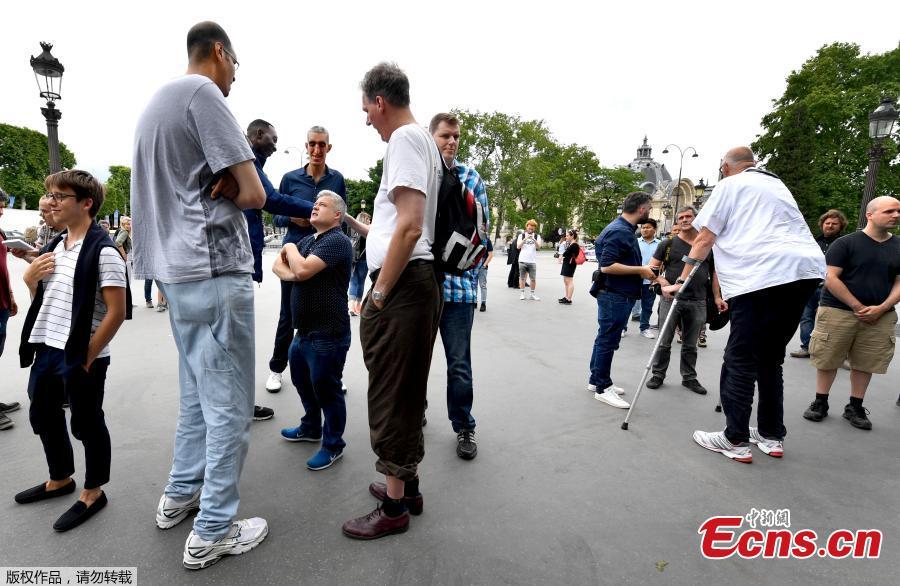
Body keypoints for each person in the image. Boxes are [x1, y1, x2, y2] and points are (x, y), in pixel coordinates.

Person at [130, 21, 269, 569]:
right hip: (213, 269)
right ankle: (212, 528)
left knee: (196, 400)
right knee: (231, 407)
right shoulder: (204, 95)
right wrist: (237, 185)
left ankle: (179, 496)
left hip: (175, 272)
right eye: (235, 63)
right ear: (218, 52)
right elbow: (255, 193)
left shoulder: (157, 103)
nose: (234, 76)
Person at [668, 147, 824, 463]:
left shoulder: (730, 185)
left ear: (725, 168)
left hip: (761, 275)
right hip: (804, 272)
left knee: (740, 357)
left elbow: (704, 238)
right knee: (770, 358)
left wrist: (682, 278)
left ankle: (734, 438)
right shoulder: (777, 185)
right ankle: (770, 434)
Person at [340, 62, 442, 540]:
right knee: (406, 391)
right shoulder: (424, 140)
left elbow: (409, 225)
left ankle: (395, 509)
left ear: (380, 101)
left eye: (366, 109)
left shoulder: (402, 139)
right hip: (417, 283)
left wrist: (378, 293)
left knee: (391, 396)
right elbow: (400, 223)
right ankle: (406, 486)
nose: (366, 120)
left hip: (401, 286)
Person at [16, 170, 128, 532]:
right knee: (44, 415)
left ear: (86, 203)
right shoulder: (55, 248)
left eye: (58, 196)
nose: (50, 202)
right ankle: (60, 478)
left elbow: (117, 312)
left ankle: (93, 491)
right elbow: (45, 302)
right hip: (48, 348)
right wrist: (30, 280)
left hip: (82, 355)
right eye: (50, 195)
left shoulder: (104, 250)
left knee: (87, 423)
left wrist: (87, 356)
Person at [803, 196, 900, 430]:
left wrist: (882, 308)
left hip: (880, 316)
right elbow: (830, 277)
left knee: (865, 362)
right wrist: (857, 306)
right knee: (828, 357)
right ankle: (820, 401)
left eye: (898, 211)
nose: (896, 215)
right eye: (889, 211)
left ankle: (855, 406)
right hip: (838, 311)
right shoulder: (846, 244)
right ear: (870, 214)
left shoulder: (898, 246)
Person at [243, 118, 317, 421]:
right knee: (280, 320)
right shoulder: (248, 163)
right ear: (258, 135)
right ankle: (271, 375)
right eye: (272, 140)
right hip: (244, 260)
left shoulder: (250, 163)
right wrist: (309, 211)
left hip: (245, 259)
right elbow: (272, 204)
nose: (275, 146)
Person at [273, 191, 353, 469]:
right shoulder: (308, 240)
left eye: (323, 205)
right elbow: (277, 266)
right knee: (302, 382)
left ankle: (333, 445)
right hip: (303, 332)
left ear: (337, 216)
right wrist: (297, 269)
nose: (315, 206)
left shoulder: (337, 241)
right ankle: (311, 427)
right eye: (315, 203)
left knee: (327, 390)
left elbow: (302, 269)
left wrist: (293, 253)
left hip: (328, 334)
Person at [264, 125, 346, 394]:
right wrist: (291, 217)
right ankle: (277, 368)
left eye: (322, 144)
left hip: (325, 254)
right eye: (312, 144)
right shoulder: (290, 179)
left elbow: (340, 217)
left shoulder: (337, 180)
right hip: (296, 251)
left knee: (329, 313)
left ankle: (332, 373)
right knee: (289, 314)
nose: (316, 149)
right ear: (307, 145)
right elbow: (274, 213)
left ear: (329, 148)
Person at [428, 112, 490, 459]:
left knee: (459, 364)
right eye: (444, 136)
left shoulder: (471, 176)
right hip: (422, 286)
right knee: (416, 361)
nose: (451, 142)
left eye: (456, 136)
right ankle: (416, 411)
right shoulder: (420, 173)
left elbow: (483, 230)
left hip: (460, 288)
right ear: (431, 137)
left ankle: (464, 425)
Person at [646, 206, 724, 395]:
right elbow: (651, 269)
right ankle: (658, 374)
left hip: (698, 300)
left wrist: (717, 297)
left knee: (690, 344)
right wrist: (663, 282)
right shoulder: (668, 244)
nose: (684, 220)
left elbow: (714, 274)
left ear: (696, 219)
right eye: (680, 217)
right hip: (670, 299)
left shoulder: (707, 245)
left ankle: (689, 377)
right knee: (664, 341)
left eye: (688, 216)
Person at [588, 191, 655, 408]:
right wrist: (642, 270)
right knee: (608, 340)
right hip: (615, 294)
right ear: (642, 209)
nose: (651, 211)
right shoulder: (621, 231)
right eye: (650, 208)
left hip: (614, 293)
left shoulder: (620, 228)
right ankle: (603, 387)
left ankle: (596, 380)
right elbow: (607, 265)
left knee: (604, 338)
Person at [789, 209, 847, 358]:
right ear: (822, 225)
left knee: (830, 319)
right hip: (809, 286)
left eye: (835, 223)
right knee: (806, 316)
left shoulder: (844, 244)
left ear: (841, 226)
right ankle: (807, 347)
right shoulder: (813, 243)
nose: (830, 226)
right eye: (827, 223)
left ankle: (833, 352)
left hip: (832, 287)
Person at [0, 191, 20, 431]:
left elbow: (3, 271)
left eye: (3, 206)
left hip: (2, 305)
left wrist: (11, 297)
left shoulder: (1, 233)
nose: (2, 211)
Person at [630, 219, 659, 337]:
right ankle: (623, 328)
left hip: (651, 281)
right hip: (634, 279)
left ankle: (644, 328)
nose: (645, 229)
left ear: (655, 230)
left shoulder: (660, 244)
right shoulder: (634, 242)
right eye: (643, 227)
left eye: (648, 227)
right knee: (628, 305)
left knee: (647, 306)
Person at [348, 211, 371, 316]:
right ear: (365, 219)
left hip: (352, 260)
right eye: (369, 219)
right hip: (364, 260)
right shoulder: (368, 231)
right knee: (361, 282)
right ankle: (358, 305)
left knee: (353, 282)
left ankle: (351, 305)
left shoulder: (352, 229)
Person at [517, 220, 542, 300]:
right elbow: (518, 247)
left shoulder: (537, 236)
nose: (531, 228)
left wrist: (533, 240)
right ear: (527, 226)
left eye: (533, 226)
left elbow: (538, 247)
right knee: (522, 278)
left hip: (532, 261)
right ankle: (522, 293)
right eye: (529, 226)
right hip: (522, 260)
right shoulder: (521, 235)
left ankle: (532, 294)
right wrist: (525, 239)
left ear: (534, 228)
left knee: (533, 279)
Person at [559, 229, 580, 304]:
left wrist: (564, 253)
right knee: (566, 281)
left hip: (570, 264)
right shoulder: (571, 244)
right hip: (567, 263)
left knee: (569, 281)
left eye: (567, 236)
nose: (566, 237)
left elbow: (567, 254)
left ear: (572, 236)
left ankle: (569, 299)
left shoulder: (574, 245)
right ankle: (566, 296)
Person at [478, 239, 493, 312]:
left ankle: (483, 303)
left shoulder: (487, 241)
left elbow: (490, 255)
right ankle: (474, 301)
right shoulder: (474, 238)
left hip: (482, 266)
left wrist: (484, 265)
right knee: (473, 284)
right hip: (473, 266)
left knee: (483, 285)